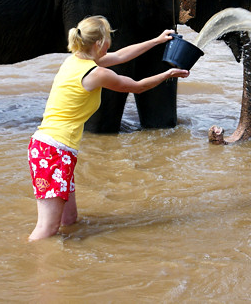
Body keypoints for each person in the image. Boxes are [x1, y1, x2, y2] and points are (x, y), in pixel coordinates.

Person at [28, 15, 189, 240]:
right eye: (109, 37)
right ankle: (36, 267)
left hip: (52, 148)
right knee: (47, 228)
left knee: (69, 219)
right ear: (99, 43)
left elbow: (122, 55)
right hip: (53, 151)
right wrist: (169, 74)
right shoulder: (96, 73)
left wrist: (157, 40)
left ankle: (63, 262)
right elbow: (137, 87)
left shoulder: (77, 60)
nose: (111, 42)